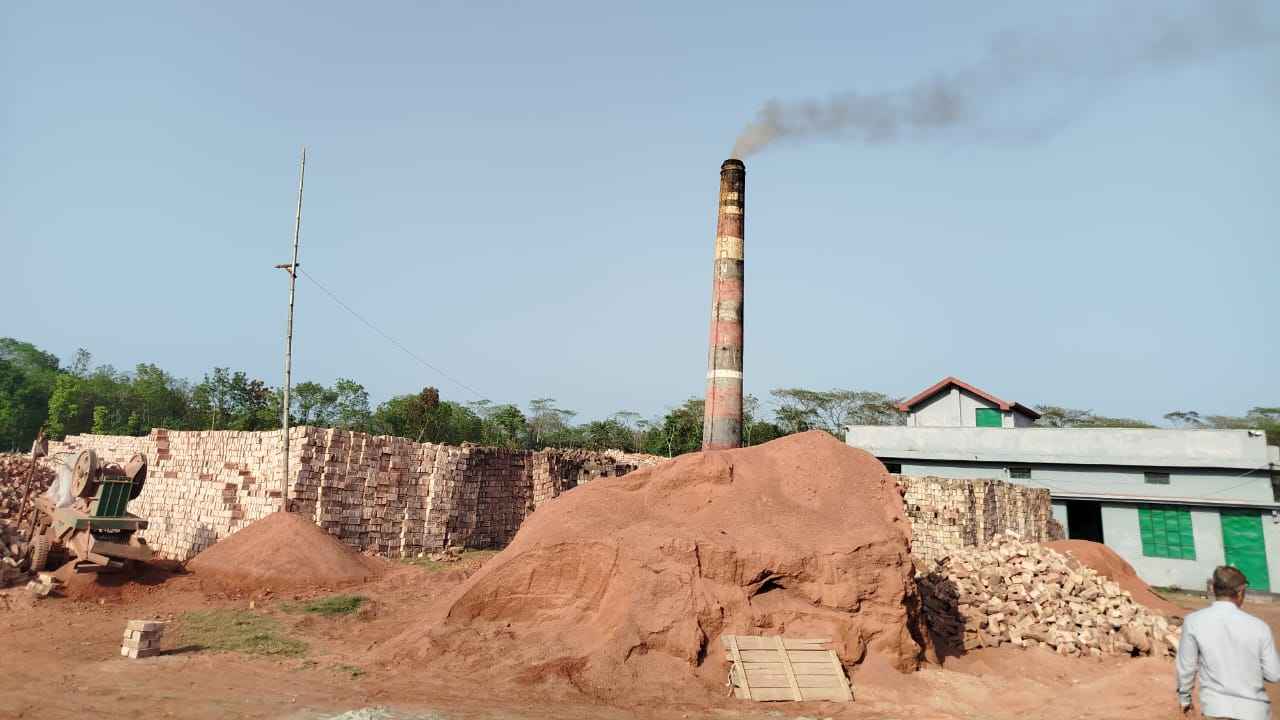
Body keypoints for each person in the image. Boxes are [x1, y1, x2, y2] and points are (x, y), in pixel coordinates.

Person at [1177, 565, 1280, 719]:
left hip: (1216, 709)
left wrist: (1184, 698)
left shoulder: (1193, 621)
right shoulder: (1259, 627)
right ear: (1240, 593)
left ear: (1212, 588)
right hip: (1254, 711)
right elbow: (1274, 675)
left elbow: (1187, 666)